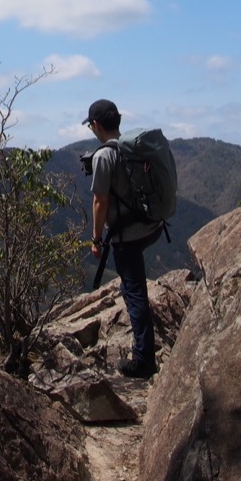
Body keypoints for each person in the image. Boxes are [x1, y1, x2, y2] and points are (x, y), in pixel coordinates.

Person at [83, 98, 162, 379]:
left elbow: (99, 201)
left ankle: (144, 359)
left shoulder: (104, 156)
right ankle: (145, 350)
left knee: (134, 293)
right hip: (151, 226)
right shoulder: (133, 147)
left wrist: (96, 239)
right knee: (134, 288)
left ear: (95, 124)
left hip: (126, 236)